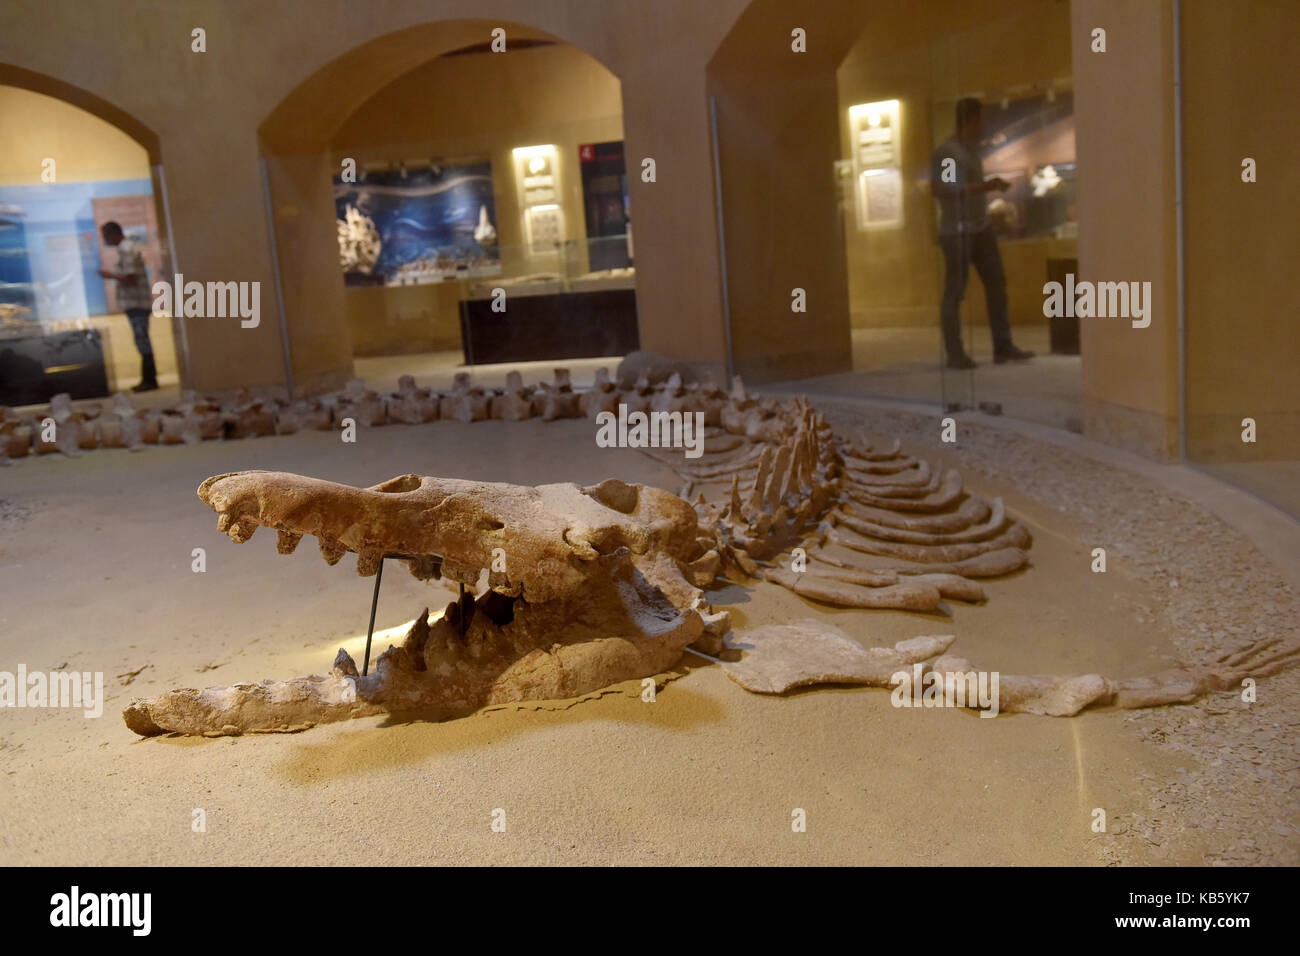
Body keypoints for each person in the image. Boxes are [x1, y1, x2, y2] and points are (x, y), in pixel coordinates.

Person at [931, 98, 1035, 369]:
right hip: (957, 232)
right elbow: (946, 188)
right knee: (955, 291)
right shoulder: (950, 153)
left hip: (980, 228)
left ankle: (1003, 346)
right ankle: (955, 354)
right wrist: (986, 186)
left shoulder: (968, 151)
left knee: (997, 284)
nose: (982, 125)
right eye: (980, 119)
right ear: (973, 119)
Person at [97, 221, 157, 391]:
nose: (105, 240)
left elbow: (132, 278)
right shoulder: (127, 248)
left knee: (142, 341)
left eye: (105, 236)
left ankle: (150, 379)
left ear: (113, 234)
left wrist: (110, 275)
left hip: (136, 302)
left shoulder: (127, 248)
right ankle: (148, 378)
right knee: (141, 340)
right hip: (136, 303)